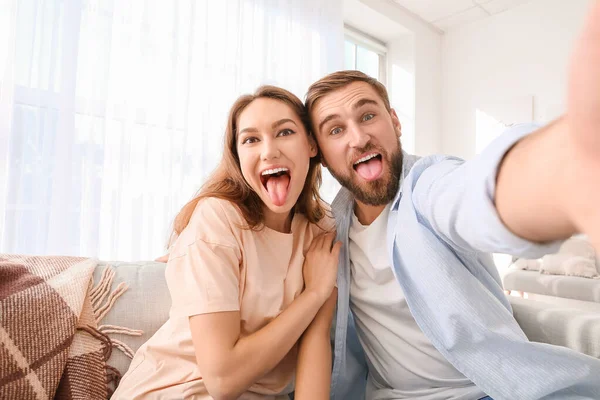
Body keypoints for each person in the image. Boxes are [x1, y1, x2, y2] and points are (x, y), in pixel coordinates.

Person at [304, 3, 600, 400]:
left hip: (486, 392)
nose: (358, 138)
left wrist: (570, 166)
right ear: (320, 153)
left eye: (368, 116)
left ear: (395, 121)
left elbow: (471, 194)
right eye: (336, 129)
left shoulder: (428, 186)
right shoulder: (327, 232)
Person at [113, 86, 340, 400]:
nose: (268, 151)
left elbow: (316, 342)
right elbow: (223, 380)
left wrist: (318, 297)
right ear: (237, 155)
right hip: (174, 390)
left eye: (284, 132)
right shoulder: (218, 217)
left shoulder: (322, 229)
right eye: (250, 139)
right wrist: (314, 294)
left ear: (311, 144)